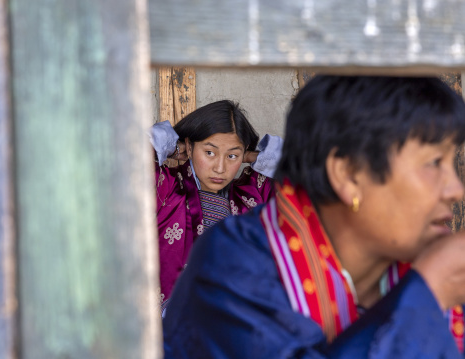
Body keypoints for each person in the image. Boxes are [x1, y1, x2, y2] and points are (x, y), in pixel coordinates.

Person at [163, 76, 465, 358]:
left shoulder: (430, 270)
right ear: (347, 175)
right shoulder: (231, 268)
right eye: (433, 163)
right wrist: (426, 292)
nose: (456, 190)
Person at [149, 100, 282, 312]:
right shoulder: (166, 189)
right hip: (171, 330)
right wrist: (171, 146)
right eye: (210, 153)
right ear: (190, 146)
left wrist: (253, 156)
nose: (220, 168)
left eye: (232, 156)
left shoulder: (252, 196)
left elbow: (304, 177)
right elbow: (127, 160)